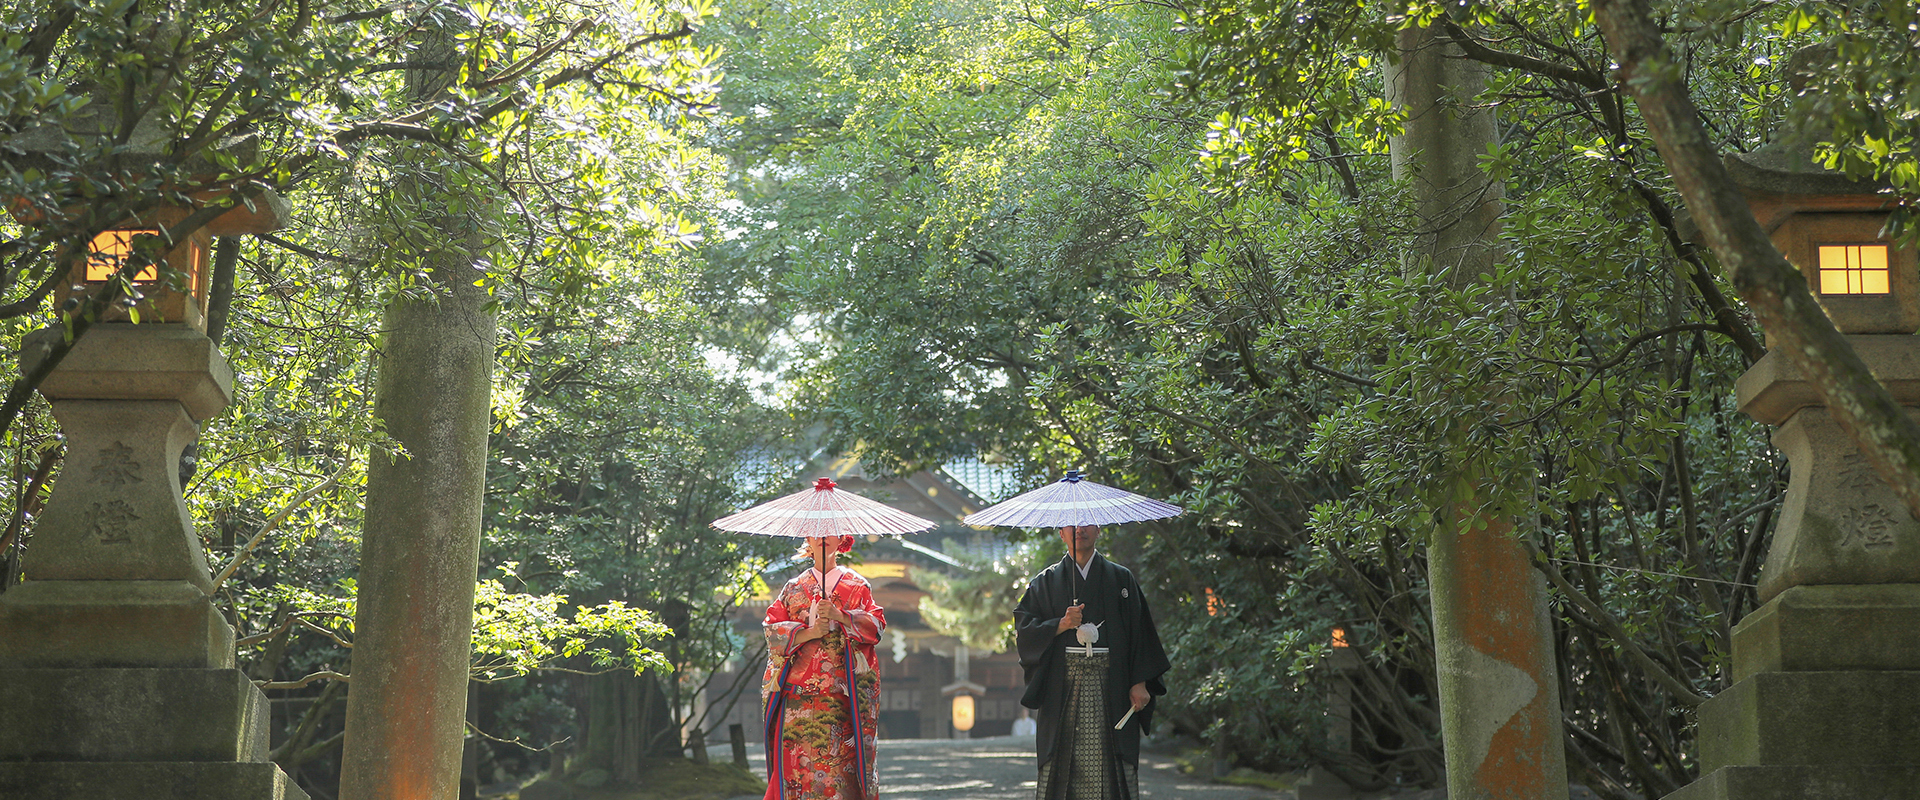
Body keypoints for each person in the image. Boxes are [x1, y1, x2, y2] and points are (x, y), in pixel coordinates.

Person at [1013, 524, 1170, 800]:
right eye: (1070, 526)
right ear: (1060, 533)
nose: (1078, 530)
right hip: (1062, 688)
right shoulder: (1045, 582)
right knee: (1062, 764)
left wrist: (1140, 682)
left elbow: (1140, 632)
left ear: (1098, 530)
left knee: (1112, 765)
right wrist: (1060, 624)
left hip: (1113, 685)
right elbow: (1025, 630)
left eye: (1086, 524)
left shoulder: (1121, 579)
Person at [762, 535, 886, 800]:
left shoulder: (856, 586)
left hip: (841, 698)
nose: (822, 538)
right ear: (807, 538)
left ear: (842, 540)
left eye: (830, 532)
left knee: (839, 773)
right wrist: (808, 632)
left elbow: (876, 628)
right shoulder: (793, 588)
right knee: (797, 772)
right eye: (815, 532)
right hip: (797, 699)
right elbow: (772, 632)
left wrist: (841, 616)